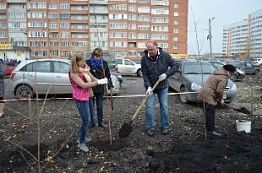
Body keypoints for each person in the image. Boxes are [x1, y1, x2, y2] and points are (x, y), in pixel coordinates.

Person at [69, 52, 108, 152]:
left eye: (84, 60)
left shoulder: (85, 69)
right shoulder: (73, 73)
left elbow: (92, 78)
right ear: (76, 62)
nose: (84, 62)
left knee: (89, 119)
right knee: (86, 120)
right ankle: (81, 142)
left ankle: (83, 137)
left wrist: (102, 80)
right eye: (82, 61)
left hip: (88, 96)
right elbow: (83, 85)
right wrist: (98, 82)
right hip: (80, 98)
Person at [141, 40, 179, 136]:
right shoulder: (144, 59)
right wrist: (148, 87)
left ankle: (165, 127)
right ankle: (150, 127)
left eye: (152, 49)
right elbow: (145, 74)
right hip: (151, 88)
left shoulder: (165, 56)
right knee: (149, 107)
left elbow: (175, 66)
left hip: (163, 86)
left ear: (157, 47)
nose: (150, 52)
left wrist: (166, 74)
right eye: (148, 50)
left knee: (164, 107)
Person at [198, 64, 236, 136]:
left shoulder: (215, 74)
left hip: (202, 94)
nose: (231, 75)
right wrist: (221, 99)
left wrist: (217, 99)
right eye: (231, 73)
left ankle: (210, 127)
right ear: (228, 71)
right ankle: (211, 130)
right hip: (208, 95)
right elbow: (219, 91)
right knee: (210, 113)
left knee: (207, 112)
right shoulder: (223, 78)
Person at [87, 48, 113, 129]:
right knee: (91, 106)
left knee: (100, 106)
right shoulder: (88, 63)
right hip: (91, 88)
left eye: (100, 56)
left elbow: (108, 75)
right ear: (93, 55)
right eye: (97, 56)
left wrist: (110, 85)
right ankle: (90, 122)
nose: (98, 58)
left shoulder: (104, 63)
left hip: (100, 88)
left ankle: (100, 122)